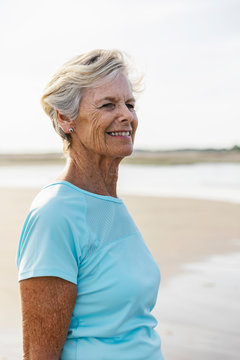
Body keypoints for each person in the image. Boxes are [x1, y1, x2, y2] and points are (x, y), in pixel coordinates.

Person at [17, 49, 164, 359]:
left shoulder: (110, 203)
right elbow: (38, 353)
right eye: (108, 104)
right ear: (65, 117)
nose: (126, 115)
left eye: (130, 104)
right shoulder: (56, 213)